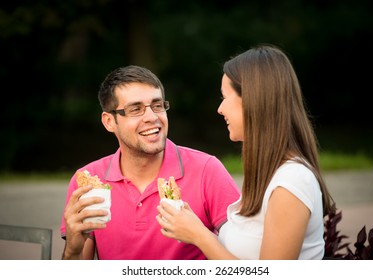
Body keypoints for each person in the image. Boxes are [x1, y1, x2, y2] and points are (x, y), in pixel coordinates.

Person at [157, 44, 335, 260]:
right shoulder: (268, 175)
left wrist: (199, 235)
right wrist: (192, 226)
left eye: (225, 96)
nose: (220, 109)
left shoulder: (292, 181)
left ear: (252, 99)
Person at [60, 65, 240, 260]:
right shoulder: (87, 182)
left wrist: (200, 235)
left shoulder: (207, 170)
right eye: (135, 109)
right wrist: (72, 250)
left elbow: (242, 263)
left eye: (157, 106)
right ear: (109, 122)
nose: (152, 117)